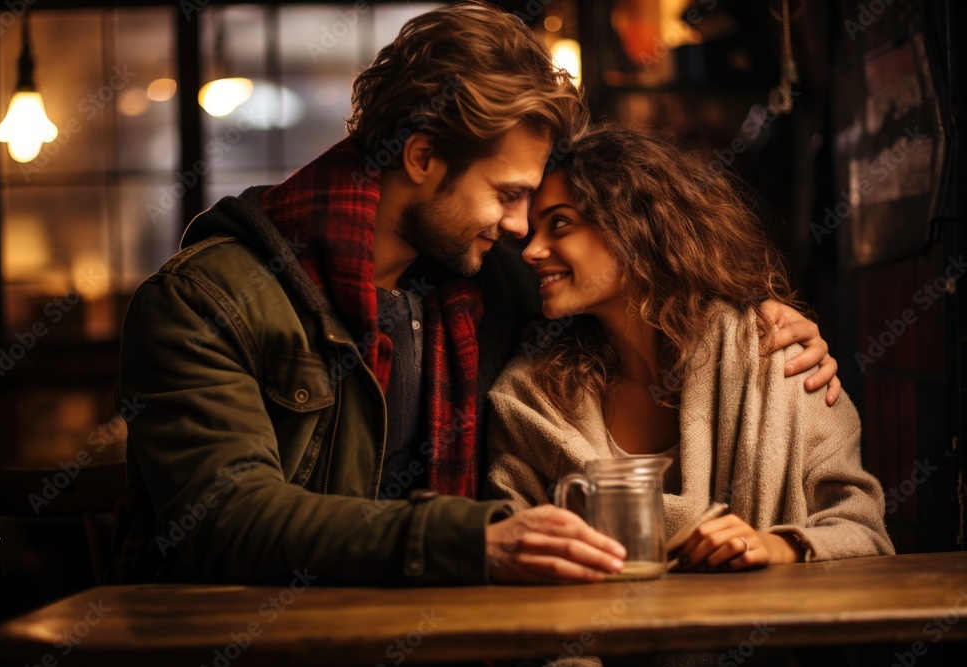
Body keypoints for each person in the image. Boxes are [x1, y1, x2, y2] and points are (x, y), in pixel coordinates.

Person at [109, 2, 839, 587]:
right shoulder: (202, 302)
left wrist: (761, 323)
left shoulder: (490, 279)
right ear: (423, 158)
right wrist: (471, 540)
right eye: (508, 194)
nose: (523, 229)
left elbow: (642, 273)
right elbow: (225, 519)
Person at [486, 126, 895, 571]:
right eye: (532, 232)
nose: (531, 251)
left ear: (634, 227)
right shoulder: (531, 395)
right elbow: (511, 543)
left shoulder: (775, 354)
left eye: (559, 223)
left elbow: (863, 531)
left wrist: (778, 547)